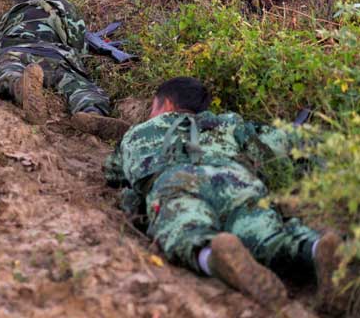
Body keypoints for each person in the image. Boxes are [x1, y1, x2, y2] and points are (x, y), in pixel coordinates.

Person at [104, 77, 345, 311]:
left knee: (185, 229)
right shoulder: (227, 122)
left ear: (165, 104)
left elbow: (113, 172)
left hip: (176, 182)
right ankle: (315, 248)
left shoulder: (139, 132)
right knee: (267, 234)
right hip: (236, 179)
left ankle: (214, 257)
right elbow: (275, 147)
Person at [0, 0, 128, 137]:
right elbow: (79, 47)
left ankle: (19, 86)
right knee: (78, 86)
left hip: (16, 50)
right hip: (56, 55)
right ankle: (92, 112)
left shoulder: (12, 14)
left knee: (7, 72)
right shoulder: (65, 9)